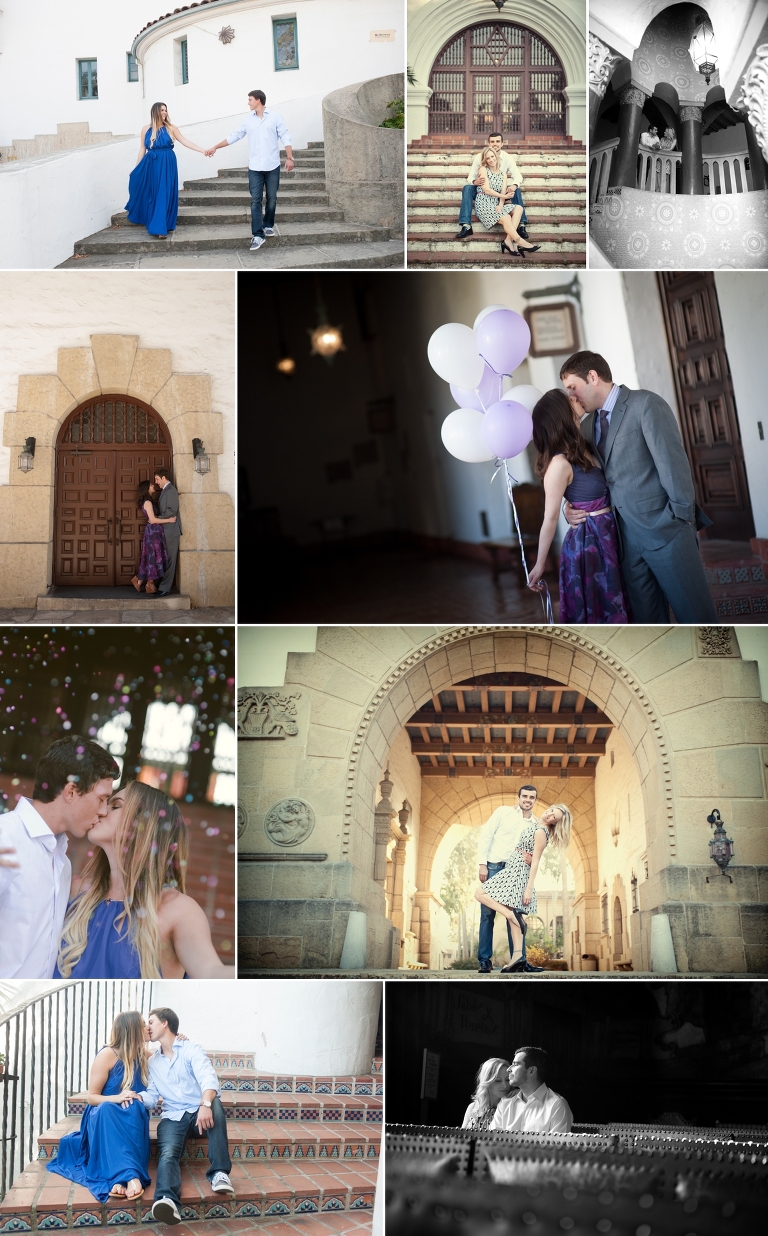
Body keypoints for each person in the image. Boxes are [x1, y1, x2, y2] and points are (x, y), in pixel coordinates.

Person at [560, 351, 718, 623]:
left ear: (593, 377)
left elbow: (673, 465)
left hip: (667, 532)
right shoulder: (585, 428)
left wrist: (679, 520)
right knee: (648, 625)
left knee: (696, 619)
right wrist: (569, 507)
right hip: (622, 543)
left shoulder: (646, 404)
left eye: (572, 387)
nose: (571, 397)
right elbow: (588, 477)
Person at [54, 781, 233, 980]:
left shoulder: (178, 910)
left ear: (144, 824)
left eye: (115, 806)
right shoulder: (77, 893)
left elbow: (209, 971)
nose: (101, 811)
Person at [0, 736, 118, 979]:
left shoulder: (62, 862)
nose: (103, 811)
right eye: (102, 799)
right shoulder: (5, 838)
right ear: (71, 791)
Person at [527, 389, 630, 622]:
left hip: (611, 536)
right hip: (589, 545)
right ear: (560, 415)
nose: (575, 397)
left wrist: (569, 505)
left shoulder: (585, 443)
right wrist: (540, 564)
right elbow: (549, 519)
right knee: (602, 611)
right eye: (568, 400)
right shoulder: (558, 464)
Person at [139, 1007, 234, 1225]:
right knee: (169, 1152)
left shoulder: (191, 1049)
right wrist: (134, 1097)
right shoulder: (153, 1062)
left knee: (216, 1102)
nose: (148, 1027)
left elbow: (208, 1080)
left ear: (165, 1024)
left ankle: (219, 1173)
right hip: (173, 1116)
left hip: (200, 1114)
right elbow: (152, 1097)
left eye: (151, 1022)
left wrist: (205, 1104)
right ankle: (167, 1199)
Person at [47, 1011, 151, 1202]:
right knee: (107, 1109)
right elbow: (92, 1098)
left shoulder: (144, 1054)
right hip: (103, 1113)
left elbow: (172, 1057)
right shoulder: (107, 1055)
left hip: (131, 1116)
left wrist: (179, 1039)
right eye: (144, 1024)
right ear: (133, 1029)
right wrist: (117, 1098)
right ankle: (130, 1176)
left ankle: (118, 1178)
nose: (148, 1027)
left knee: (136, 1106)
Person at [474, 804, 572, 973]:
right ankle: (517, 958)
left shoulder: (542, 831)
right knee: (513, 914)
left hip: (517, 871)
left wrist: (528, 888)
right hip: (515, 867)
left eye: (553, 817)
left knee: (480, 893)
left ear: (556, 823)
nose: (548, 815)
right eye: (550, 811)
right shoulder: (536, 824)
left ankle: (509, 916)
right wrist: (515, 809)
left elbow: (535, 861)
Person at [204, 90, 294, 252]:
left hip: (272, 166)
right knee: (255, 201)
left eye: (250, 100)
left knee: (272, 198)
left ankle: (268, 225)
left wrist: (289, 157)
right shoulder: (247, 121)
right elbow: (234, 136)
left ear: (258, 100)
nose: (248, 103)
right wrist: (215, 147)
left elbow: (285, 136)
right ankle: (258, 235)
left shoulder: (275, 117)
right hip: (254, 168)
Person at [476, 787, 539, 974]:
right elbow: (486, 835)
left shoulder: (535, 824)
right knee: (487, 914)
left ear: (535, 800)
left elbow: (536, 849)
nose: (528, 800)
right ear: (519, 797)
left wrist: (531, 858)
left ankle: (519, 960)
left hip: (516, 871)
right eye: (525, 796)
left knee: (516, 915)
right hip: (494, 866)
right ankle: (484, 961)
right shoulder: (503, 812)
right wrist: (482, 864)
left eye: (532, 797)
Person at [126, 102, 211, 239]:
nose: (164, 112)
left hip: (167, 162)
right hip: (151, 164)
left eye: (165, 110)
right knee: (153, 193)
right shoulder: (145, 129)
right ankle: (156, 222)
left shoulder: (171, 128)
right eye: (162, 110)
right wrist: (137, 167)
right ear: (155, 112)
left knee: (164, 192)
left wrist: (202, 150)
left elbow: (185, 141)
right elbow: (142, 149)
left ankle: (160, 227)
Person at [454, 132, 529, 241]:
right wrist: (475, 181)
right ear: (488, 143)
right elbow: (471, 176)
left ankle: (521, 225)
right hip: (484, 191)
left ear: (502, 144)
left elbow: (518, 176)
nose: (495, 144)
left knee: (516, 190)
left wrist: (513, 185)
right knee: (467, 188)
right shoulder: (480, 157)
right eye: (492, 141)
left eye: (498, 141)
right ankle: (466, 225)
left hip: (500, 190)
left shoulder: (507, 158)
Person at [473, 147, 541, 258]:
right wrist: (504, 196)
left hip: (495, 203)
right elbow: (487, 190)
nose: (491, 160)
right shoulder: (483, 169)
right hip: (483, 203)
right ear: (485, 160)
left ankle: (508, 241)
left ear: (496, 157)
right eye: (488, 158)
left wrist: (501, 203)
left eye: (492, 156)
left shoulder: (503, 174)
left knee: (518, 208)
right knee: (506, 218)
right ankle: (520, 242)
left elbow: (502, 190)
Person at [489, 1047, 573, 1133]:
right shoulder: (505, 1103)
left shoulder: (557, 1105)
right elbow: (492, 1141)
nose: (509, 1069)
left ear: (532, 1071)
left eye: (515, 1064)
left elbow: (557, 1145)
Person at [131, 480, 175, 595]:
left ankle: (142, 581)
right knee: (153, 558)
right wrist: (169, 520)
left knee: (152, 558)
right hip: (153, 533)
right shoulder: (148, 503)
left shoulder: (148, 501)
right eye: (151, 485)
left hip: (155, 532)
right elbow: (153, 520)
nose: (153, 485)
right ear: (146, 488)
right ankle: (146, 582)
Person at [152, 467, 182, 597]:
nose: (157, 482)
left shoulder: (171, 490)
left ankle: (165, 588)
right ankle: (160, 584)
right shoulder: (165, 490)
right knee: (164, 559)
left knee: (170, 559)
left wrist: (156, 519)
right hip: (165, 530)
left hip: (171, 531)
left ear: (164, 478)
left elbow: (171, 511)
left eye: (157, 479)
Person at [462, 1058, 513, 1131]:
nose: (505, 1085)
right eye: (498, 1080)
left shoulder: (512, 1106)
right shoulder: (473, 1107)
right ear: (487, 1081)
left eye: (508, 1080)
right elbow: (461, 1136)